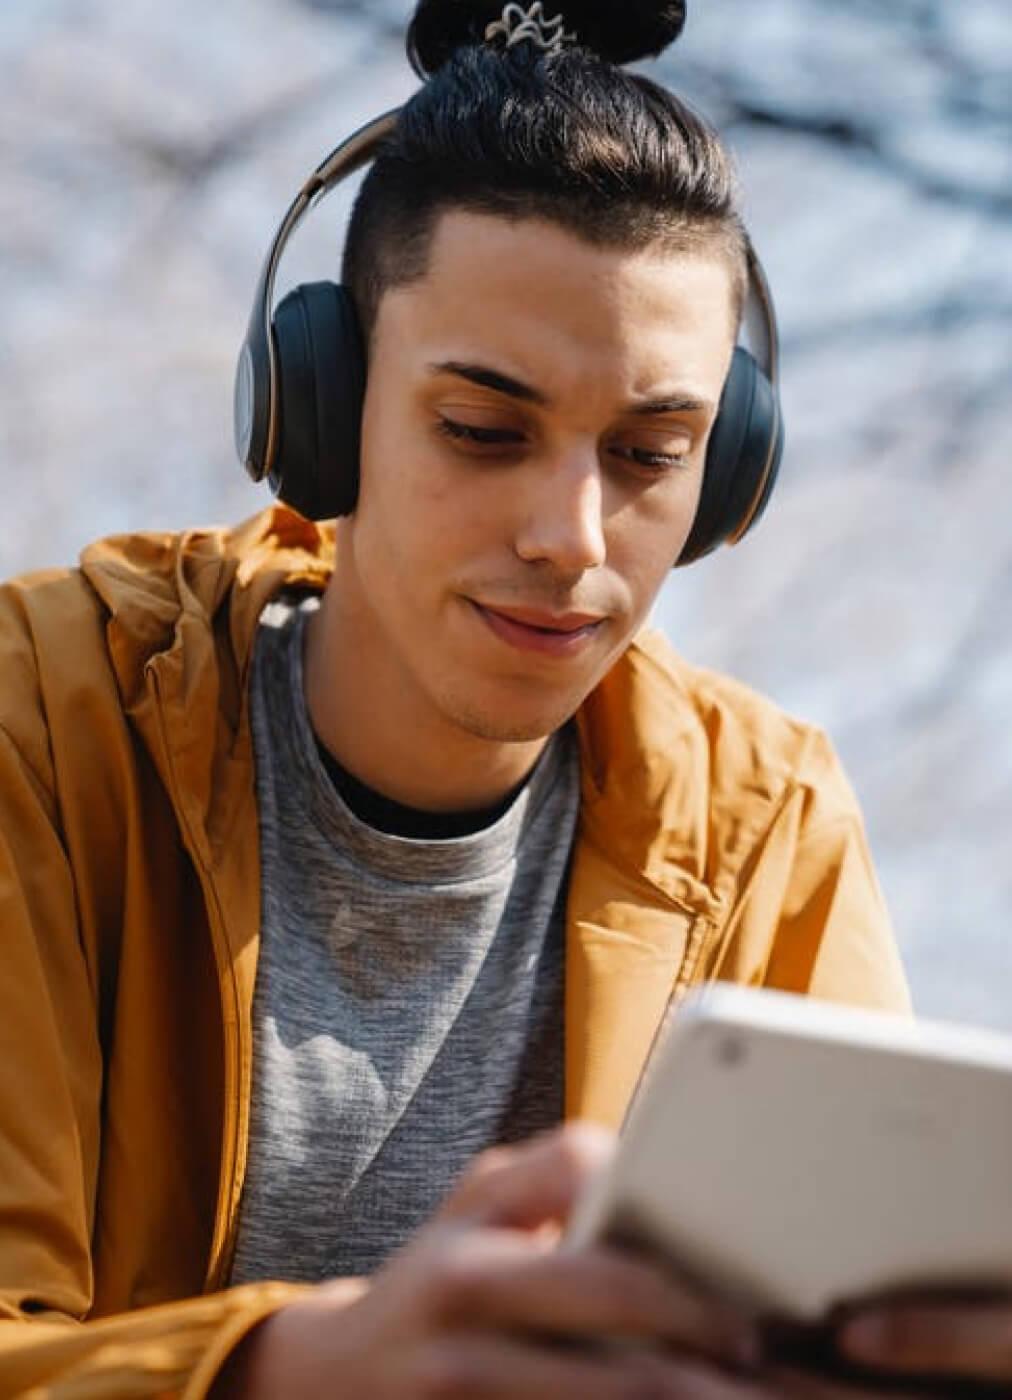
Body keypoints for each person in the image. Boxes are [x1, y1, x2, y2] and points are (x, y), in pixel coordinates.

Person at [4, 1, 1005, 1396]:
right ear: (320, 408)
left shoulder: (765, 821)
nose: (575, 538)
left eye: (653, 454)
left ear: (727, 480)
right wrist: (299, 1369)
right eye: (483, 431)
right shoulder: (41, 723)